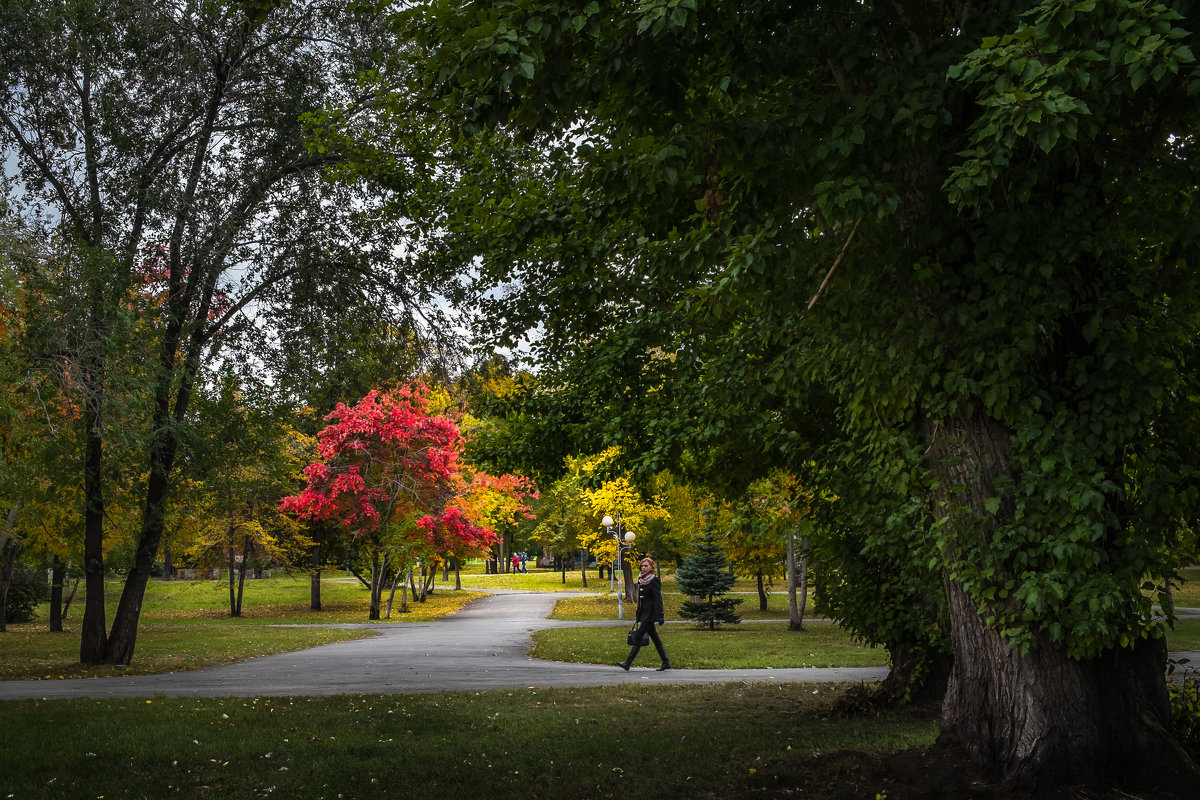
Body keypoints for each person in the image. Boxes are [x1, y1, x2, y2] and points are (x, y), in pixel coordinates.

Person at [617, 556, 671, 671]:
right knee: (656, 639)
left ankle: (627, 663)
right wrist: (638, 614)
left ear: (652, 567)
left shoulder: (654, 581)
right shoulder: (642, 580)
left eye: (646, 566)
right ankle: (666, 662)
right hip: (644, 614)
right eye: (642, 566)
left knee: (638, 637)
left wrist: (660, 615)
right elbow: (641, 600)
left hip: (650, 615)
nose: (643, 568)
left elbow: (658, 599)